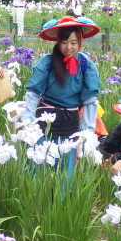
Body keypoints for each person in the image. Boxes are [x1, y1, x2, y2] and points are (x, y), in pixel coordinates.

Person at [22, 16, 101, 185]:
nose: (69, 47)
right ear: (58, 42)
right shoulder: (47, 63)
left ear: (80, 42)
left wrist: (87, 131)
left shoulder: (86, 65)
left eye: (73, 42)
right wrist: (28, 122)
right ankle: (35, 204)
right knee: (37, 166)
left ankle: (60, 204)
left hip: (70, 123)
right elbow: (33, 94)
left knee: (66, 172)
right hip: (45, 119)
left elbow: (90, 101)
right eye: (64, 42)